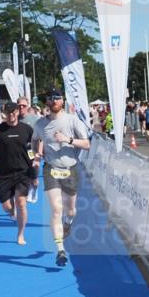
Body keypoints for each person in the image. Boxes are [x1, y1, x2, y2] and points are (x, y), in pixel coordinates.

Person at [32, 90, 90, 267]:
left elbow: (87, 144)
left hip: (70, 168)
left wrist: (68, 139)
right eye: (50, 98)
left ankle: (68, 224)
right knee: (56, 210)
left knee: (70, 211)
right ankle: (60, 250)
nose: (54, 100)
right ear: (47, 102)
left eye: (57, 98)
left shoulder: (72, 120)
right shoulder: (40, 123)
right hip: (51, 169)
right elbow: (35, 140)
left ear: (62, 100)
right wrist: (36, 154)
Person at [0, 102, 37, 245]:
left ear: (18, 112)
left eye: (13, 112)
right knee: (7, 207)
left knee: (21, 203)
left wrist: (34, 171)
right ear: (4, 114)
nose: (11, 115)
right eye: (8, 113)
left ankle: (20, 234)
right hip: (2, 174)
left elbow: (32, 149)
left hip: (22, 172)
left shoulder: (26, 129)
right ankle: (11, 212)